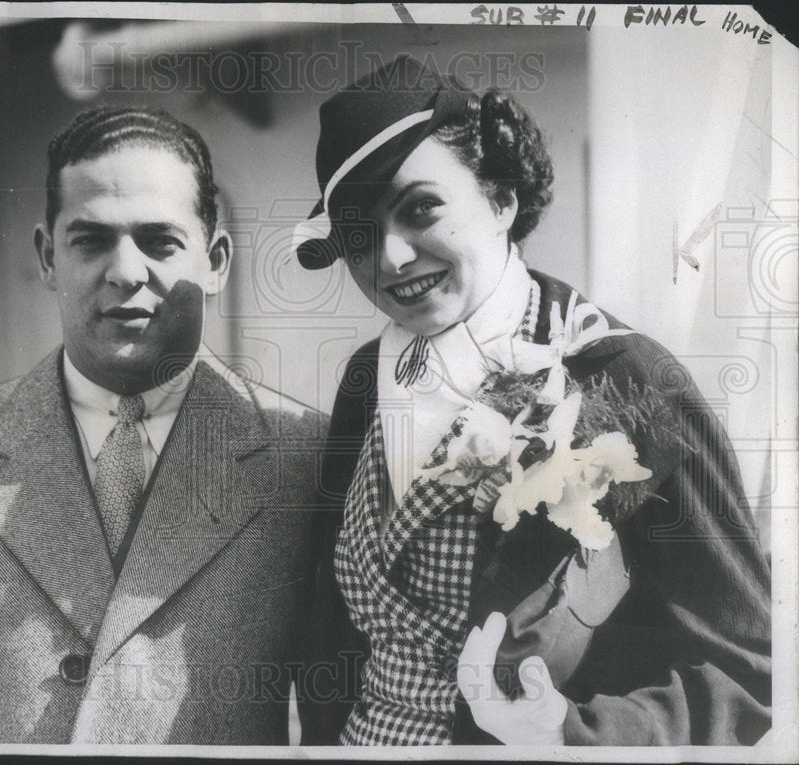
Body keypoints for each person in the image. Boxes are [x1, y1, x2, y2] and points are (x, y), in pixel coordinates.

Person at [0, 105, 337, 744]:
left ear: (218, 260)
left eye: (160, 240)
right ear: (47, 257)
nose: (125, 271)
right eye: (91, 240)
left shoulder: (307, 460)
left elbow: (337, 730)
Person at [297, 56, 772, 746]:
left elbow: (752, 672)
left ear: (501, 198)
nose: (391, 257)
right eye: (359, 231)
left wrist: (572, 736)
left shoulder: (629, 379)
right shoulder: (364, 380)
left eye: (420, 207)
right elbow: (331, 633)